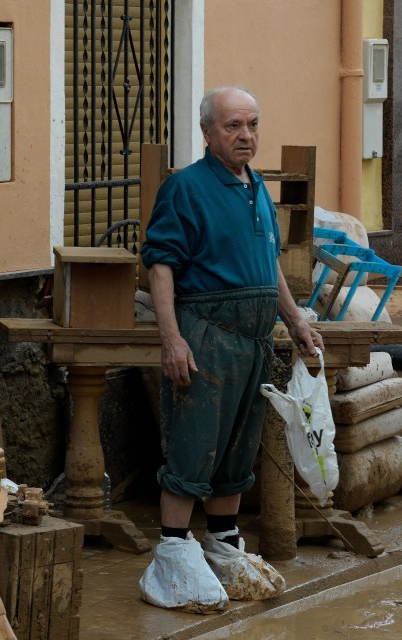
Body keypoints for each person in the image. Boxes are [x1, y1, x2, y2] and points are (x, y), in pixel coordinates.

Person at [137, 86, 323, 613]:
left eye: (253, 124)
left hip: (255, 342)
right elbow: (161, 266)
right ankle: (172, 552)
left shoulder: (256, 185)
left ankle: (222, 542)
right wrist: (172, 339)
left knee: (238, 449)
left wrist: (297, 320)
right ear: (207, 133)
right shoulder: (186, 189)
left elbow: (270, 268)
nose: (246, 135)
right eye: (233, 126)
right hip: (206, 336)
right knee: (194, 446)